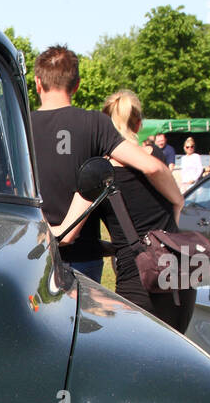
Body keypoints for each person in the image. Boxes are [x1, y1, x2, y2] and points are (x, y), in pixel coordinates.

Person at [32, 46, 182, 284]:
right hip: (84, 259)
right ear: (77, 84)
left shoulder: (19, 126)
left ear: (38, 83)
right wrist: (178, 200)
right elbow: (151, 167)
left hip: (33, 253)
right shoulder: (94, 123)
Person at [63, 89, 193, 332]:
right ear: (139, 124)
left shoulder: (99, 172)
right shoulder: (155, 160)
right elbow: (177, 203)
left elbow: (67, 232)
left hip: (138, 278)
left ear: (103, 127)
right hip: (180, 278)